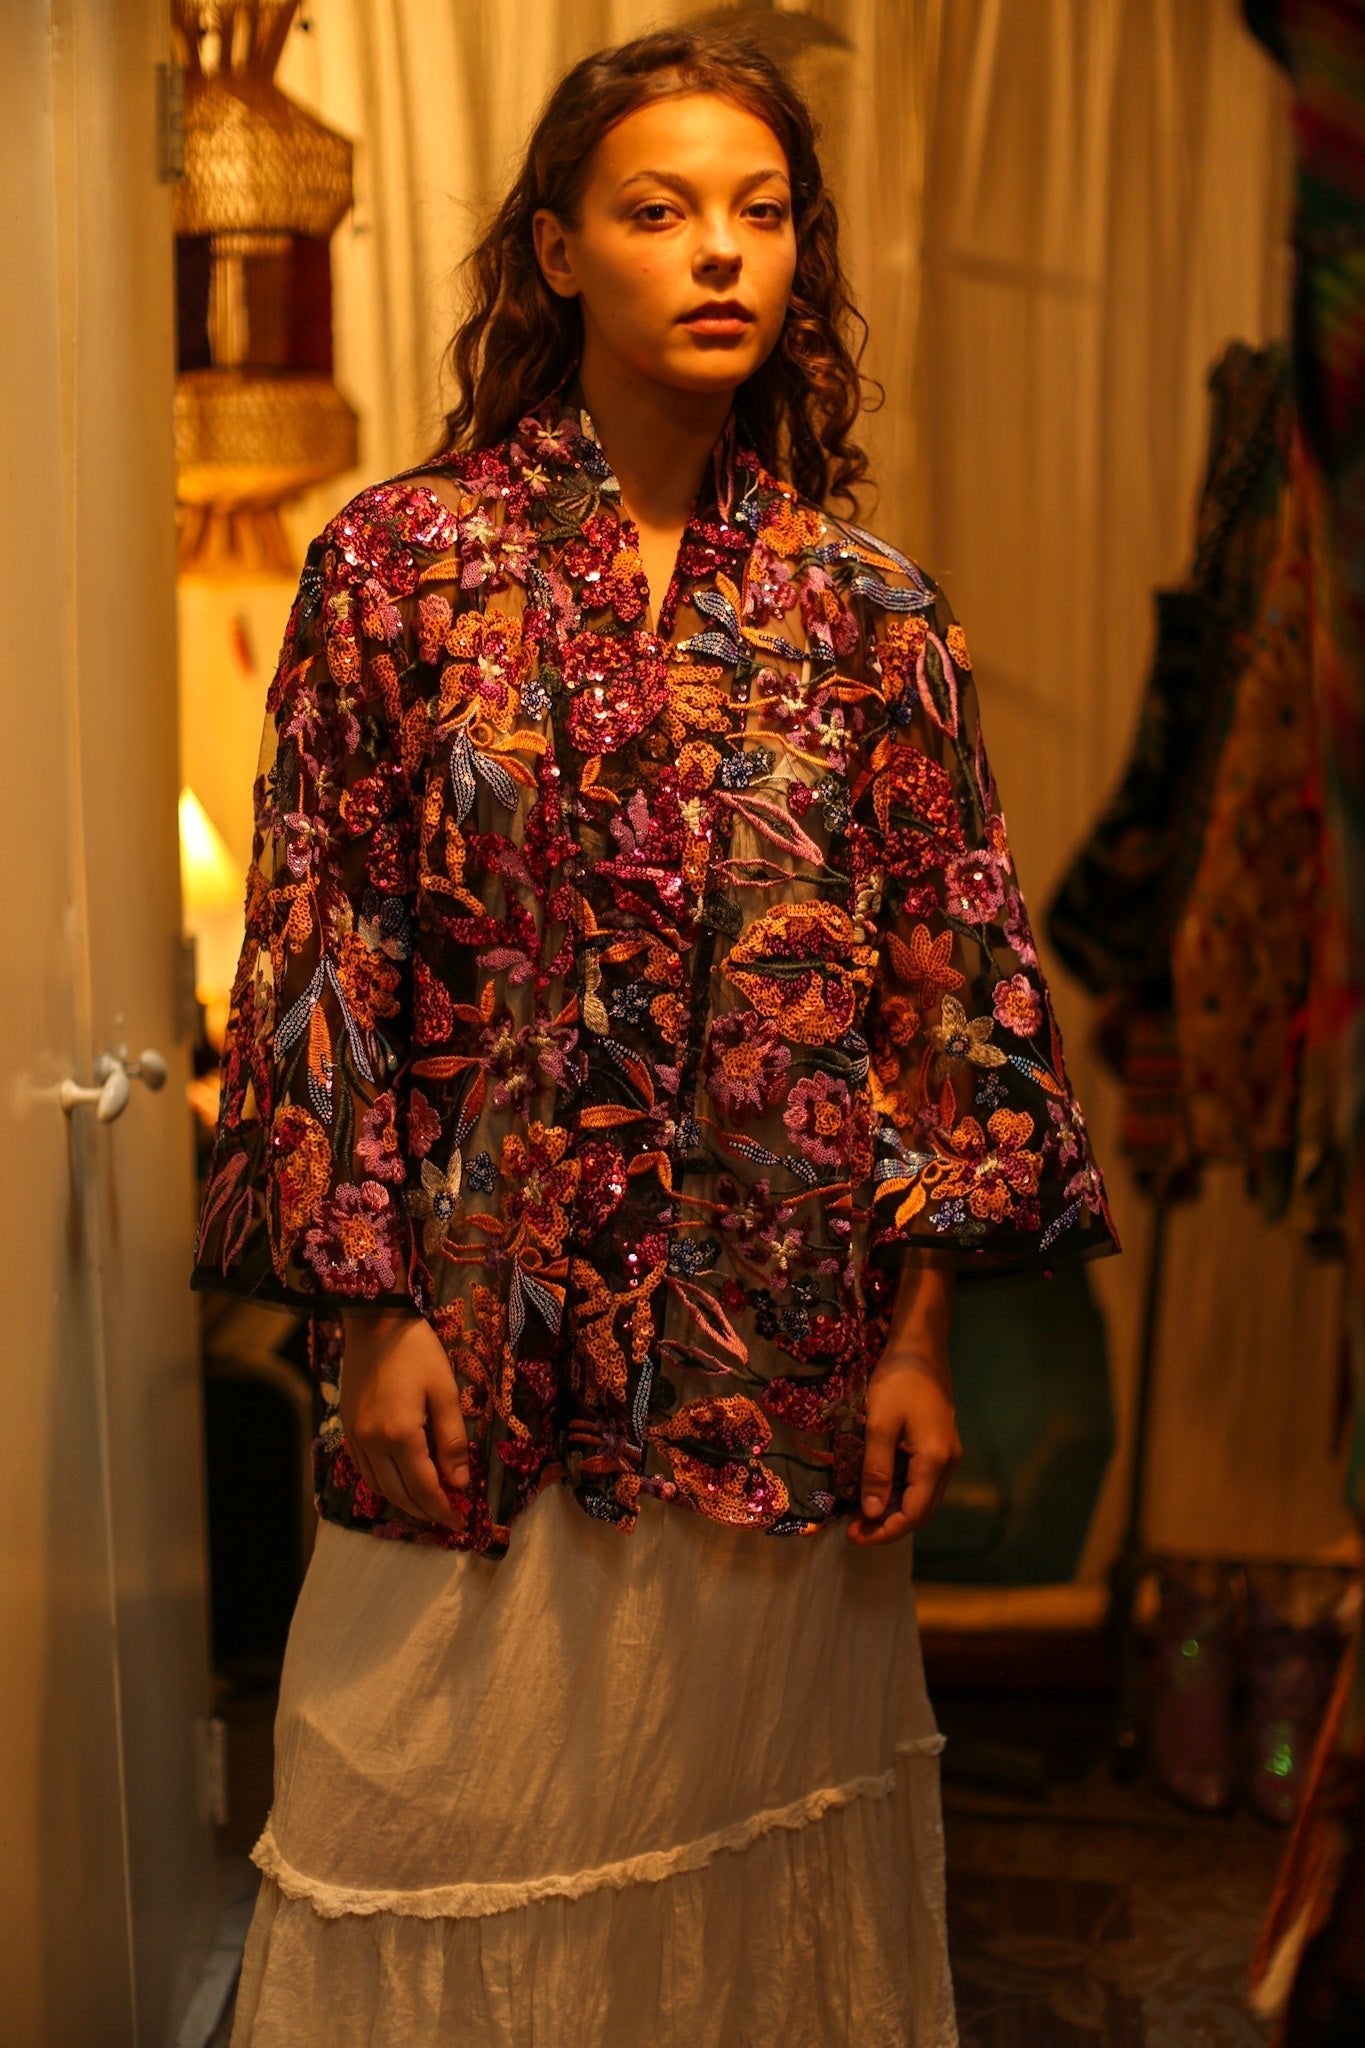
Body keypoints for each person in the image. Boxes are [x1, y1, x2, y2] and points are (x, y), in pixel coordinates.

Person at [192, 26, 1120, 2047]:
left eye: (759, 214)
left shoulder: (867, 611)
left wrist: (918, 1337)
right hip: (476, 1344)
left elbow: (945, 986)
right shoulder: (401, 570)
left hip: (773, 1365)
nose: (719, 252)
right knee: (419, 1810)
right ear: (555, 252)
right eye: (659, 210)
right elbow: (322, 955)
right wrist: (369, 1310)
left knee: (747, 1860)